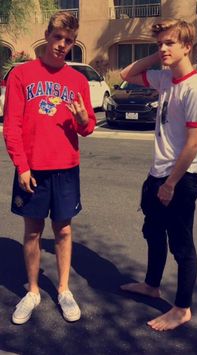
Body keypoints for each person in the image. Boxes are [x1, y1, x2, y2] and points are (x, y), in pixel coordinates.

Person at [3, 11, 96, 324]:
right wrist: (22, 166)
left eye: (68, 41)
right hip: (32, 169)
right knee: (32, 231)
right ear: (47, 35)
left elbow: (88, 128)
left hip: (66, 167)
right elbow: (12, 125)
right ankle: (32, 291)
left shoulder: (78, 81)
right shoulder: (21, 75)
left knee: (64, 230)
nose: (62, 45)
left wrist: (84, 118)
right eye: (58, 37)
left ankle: (63, 289)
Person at [120, 19, 197, 331]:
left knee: (182, 246)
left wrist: (171, 184)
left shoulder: (196, 89)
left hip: (180, 180)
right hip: (157, 174)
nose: (163, 48)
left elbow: (193, 143)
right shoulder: (165, 79)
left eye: (170, 43)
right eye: (160, 43)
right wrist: (156, 54)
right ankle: (151, 285)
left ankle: (182, 308)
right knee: (153, 233)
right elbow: (126, 74)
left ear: (187, 46)